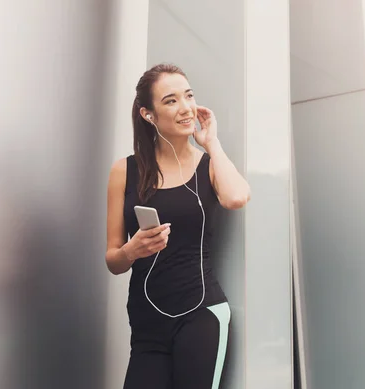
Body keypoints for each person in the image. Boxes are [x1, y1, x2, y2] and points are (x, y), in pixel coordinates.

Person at [105, 63, 250, 389]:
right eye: (170, 100)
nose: (185, 107)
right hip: (146, 326)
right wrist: (131, 250)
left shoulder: (208, 165)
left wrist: (211, 143)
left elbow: (237, 197)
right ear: (148, 114)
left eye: (188, 96)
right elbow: (113, 259)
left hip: (201, 316)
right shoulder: (124, 171)